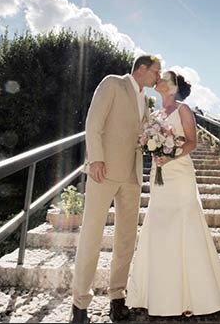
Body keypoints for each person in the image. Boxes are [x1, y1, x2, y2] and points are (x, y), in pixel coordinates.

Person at [126, 70, 220, 317]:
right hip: (159, 174)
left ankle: (193, 295)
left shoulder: (183, 109)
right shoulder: (153, 114)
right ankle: (159, 294)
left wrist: (170, 154)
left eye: (164, 78)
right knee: (159, 226)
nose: (159, 80)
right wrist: (152, 148)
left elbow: (192, 142)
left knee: (185, 224)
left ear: (173, 87)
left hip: (180, 173)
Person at [70, 55, 161, 323]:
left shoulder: (145, 99)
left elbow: (142, 135)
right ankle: (80, 304)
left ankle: (117, 297)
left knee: (126, 239)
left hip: (132, 175)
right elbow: (93, 122)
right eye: (157, 71)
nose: (159, 75)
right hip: (104, 171)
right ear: (142, 69)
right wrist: (96, 158)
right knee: (91, 235)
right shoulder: (112, 83)